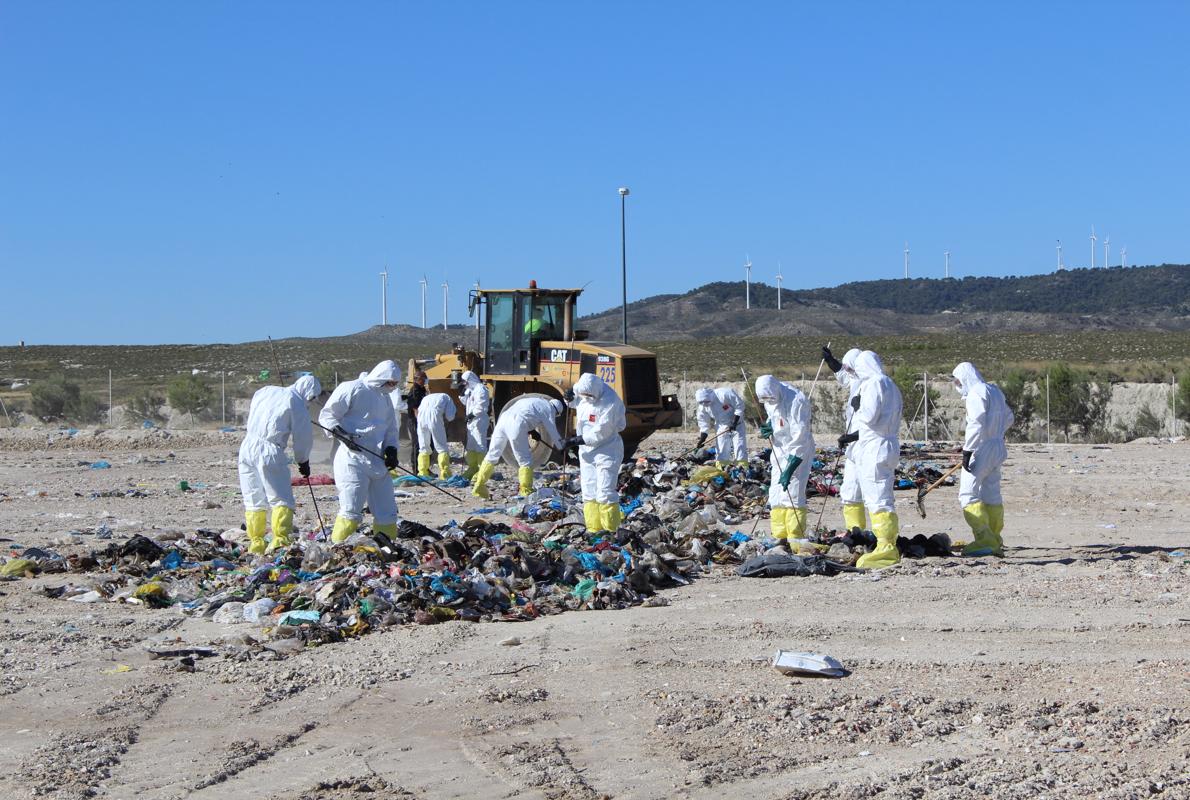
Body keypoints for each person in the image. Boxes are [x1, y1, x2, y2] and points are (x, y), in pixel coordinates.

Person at [318, 360, 402, 544]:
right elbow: (328, 415)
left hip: (378, 461)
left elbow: (390, 428)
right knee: (351, 509)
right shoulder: (352, 388)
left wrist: (391, 449)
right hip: (352, 459)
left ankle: (385, 547)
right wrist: (341, 433)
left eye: (395, 384)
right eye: (390, 383)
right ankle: (338, 548)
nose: (392, 387)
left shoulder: (385, 398)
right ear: (381, 378)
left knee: (387, 511)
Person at [237, 375, 321, 555]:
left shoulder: (266, 390)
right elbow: (302, 437)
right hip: (270, 450)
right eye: (312, 398)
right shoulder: (297, 403)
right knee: (281, 498)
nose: (310, 402)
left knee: (253, 498)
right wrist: (303, 460)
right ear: (309, 393)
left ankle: (256, 543)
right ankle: (279, 541)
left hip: (247, 447)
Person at [836, 350, 903, 569]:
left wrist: (857, 405)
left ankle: (886, 548)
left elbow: (869, 416)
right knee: (879, 495)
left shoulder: (874, 384)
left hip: (874, 448)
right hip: (884, 444)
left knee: (878, 498)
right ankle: (877, 541)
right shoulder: (890, 384)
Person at [952, 362, 1014, 557]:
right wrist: (996, 432)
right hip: (997, 446)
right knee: (991, 493)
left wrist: (968, 450)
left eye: (957, 381)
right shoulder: (994, 391)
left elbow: (976, 422)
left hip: (981, 447)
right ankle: (995, 537)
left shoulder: (976, 393)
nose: (957, 385)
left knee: (967, 494)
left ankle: (984, 539)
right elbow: (1009, 417)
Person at [561, 374, 626, 534]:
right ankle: (593, 528)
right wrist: (567, 398)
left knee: (605, 491)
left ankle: (611, 530)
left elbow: (602, 431)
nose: (587, 398)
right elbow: (576, 402)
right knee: (589, 490)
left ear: (596, 391)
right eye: (585, 396)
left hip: (607, 450)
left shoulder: (611, 402)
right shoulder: (582, 389)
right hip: (586, 452)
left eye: (590, 396)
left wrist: (575, 440)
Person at [755, 375, 814, 548]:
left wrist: (790, 468)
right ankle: (780, 535)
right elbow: (775, 419)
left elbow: (800, 436)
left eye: (769, 398)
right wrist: (768, 428)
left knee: (793, 494)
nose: (768, 402)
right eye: (764, 400)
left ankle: (795, 537)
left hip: (797, 452)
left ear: (776, 390)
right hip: (779, 449)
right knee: (776, 494)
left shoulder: (797, 401)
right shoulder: (769, 398)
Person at [472, 396, 565, 499]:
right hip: (516, 424)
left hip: (503, 420)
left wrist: (532, 431)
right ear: (556, 411)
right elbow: (553, 431)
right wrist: (562, 447)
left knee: (492, 455)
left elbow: (526, 413)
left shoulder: (537, 401)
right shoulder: (549, 409)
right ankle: (526, 490)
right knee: (525, 460)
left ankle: (479, 486)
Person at [822, 346, 866, 532]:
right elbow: (842, 374)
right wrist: (831, 361)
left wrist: (852, 436)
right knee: (849, 490)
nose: (847, 372)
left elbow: (873, 424)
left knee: (874, 495)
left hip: (867, 445)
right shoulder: (854, 378)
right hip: (853, 445)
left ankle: (882, 538)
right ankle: (854, 532)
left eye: (850, 368)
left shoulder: (872, 384)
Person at [694, 386, 747, 467]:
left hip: (737, 425)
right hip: (721, 426)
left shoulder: (725, 394)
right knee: (721, 450)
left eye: (706, 402)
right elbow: (703, 422)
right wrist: (702, 439)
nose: (705, 404)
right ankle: (722, 470)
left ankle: (742, 469)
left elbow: (739, 406)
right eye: (702, 403)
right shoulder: (703, 406)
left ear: (710, 396)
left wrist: (734, 422)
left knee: (740, 448)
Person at [416, 392, 457, 478]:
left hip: (421, 417)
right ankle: (445, 474)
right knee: (441, 446)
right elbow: (450, 417)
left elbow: (418, 410)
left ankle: (423, 473)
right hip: (434, 416)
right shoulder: (447, 397)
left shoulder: (427, 397)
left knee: (423, 446)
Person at [460, 371, 491, 479]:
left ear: (470, 379)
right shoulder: (471, 390)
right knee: (471, 445)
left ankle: (482, 470)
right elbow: (467, 403)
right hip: (471, 422)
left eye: (465, 381)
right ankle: (472, 468)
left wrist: (472, 414)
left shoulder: (480, 389)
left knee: (480, 445)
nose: (464, 384)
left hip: (479, 420)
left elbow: (482, 406)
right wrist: (461, 394)